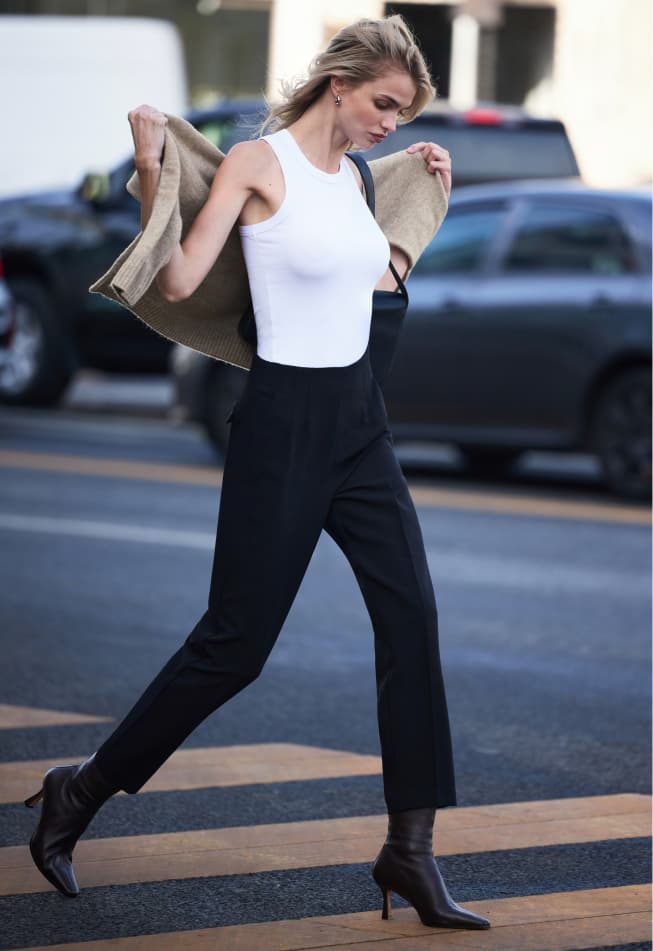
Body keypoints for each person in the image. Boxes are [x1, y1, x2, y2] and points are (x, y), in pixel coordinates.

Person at [24, 15, 489, 931]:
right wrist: (154, 166)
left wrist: (417, 174)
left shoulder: (358, 175)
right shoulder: (254, 163)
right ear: (339, 86)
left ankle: (410, 848)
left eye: (403, 112)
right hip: (281, 425)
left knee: (413, 620)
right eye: (384, 104)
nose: (389, 121)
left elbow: (377, 269)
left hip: (361, 424)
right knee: (234, 645)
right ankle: (78, 792)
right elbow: (179, 283)